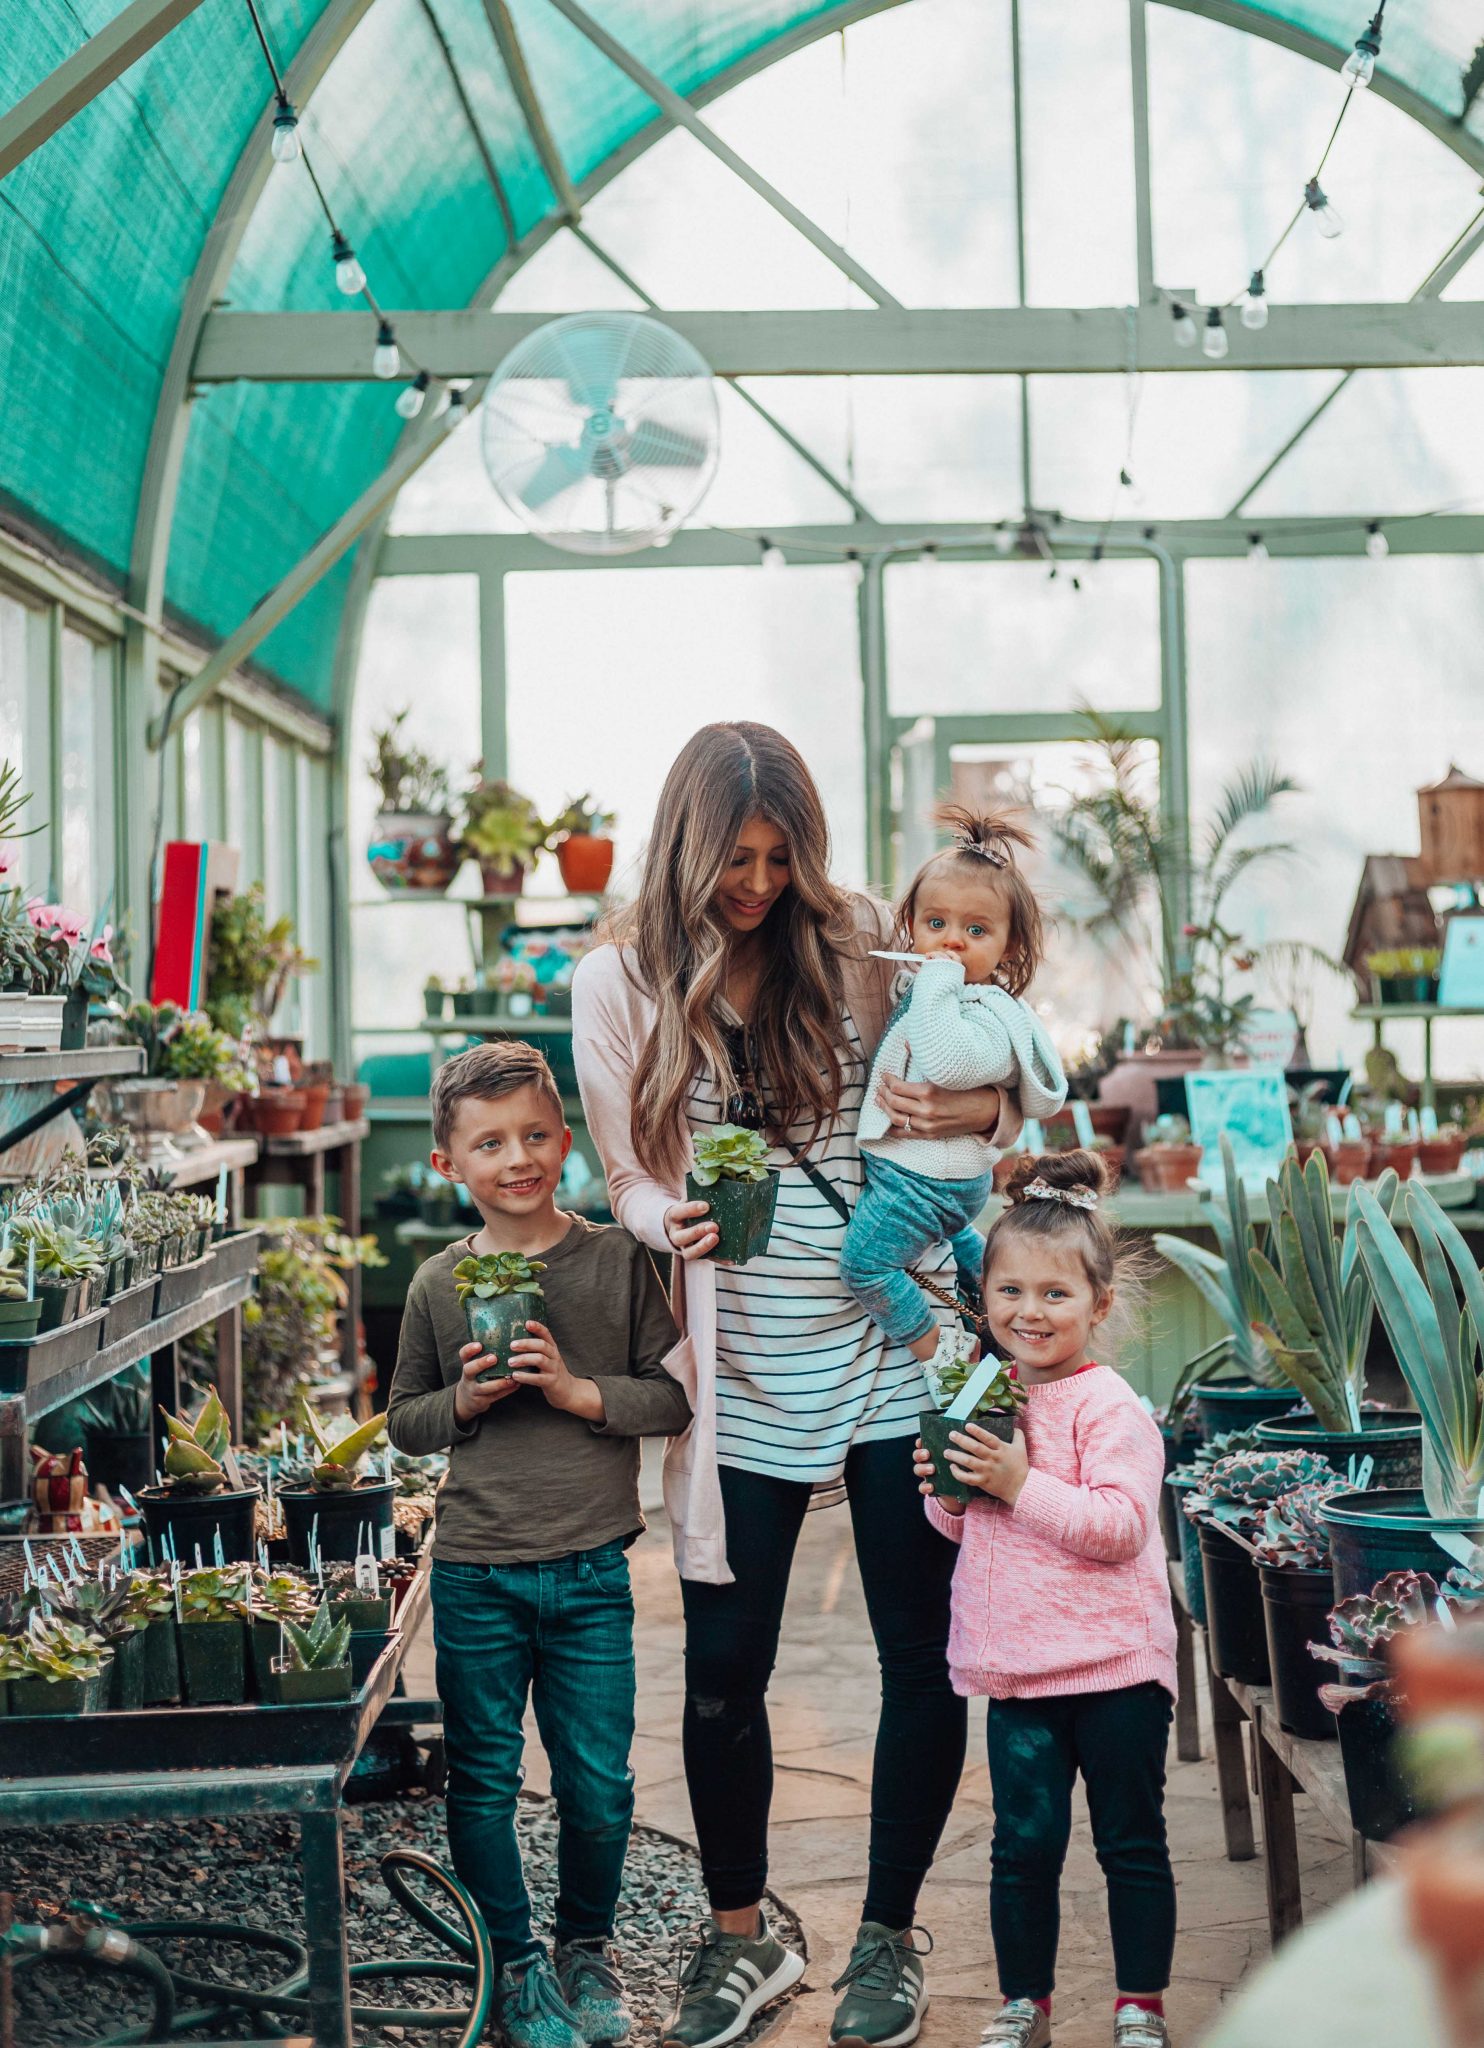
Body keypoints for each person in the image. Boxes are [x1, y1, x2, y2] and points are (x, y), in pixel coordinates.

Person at [572, 722, 1023, 2048]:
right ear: (685, 849)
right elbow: (626, 1177)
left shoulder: (870, 940)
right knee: (724, 1667)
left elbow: (989, 1067)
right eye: (733, 859)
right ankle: (738, 1937)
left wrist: (980, 1121)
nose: (757, 884)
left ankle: (886, 1936)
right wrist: (669, 1226)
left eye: (778, 858)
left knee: (920, 1657)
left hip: (896, 1344)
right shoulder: (622, 979)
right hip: (746, 1359)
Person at [386, 1041, 692, 2048]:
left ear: (565, 1141)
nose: (514, 1156)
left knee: (596, 1782)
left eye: (531, 1135)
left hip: (591, 1569)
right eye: (487, 1142)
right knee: (480, 1776)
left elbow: (668, 1393)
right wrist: (465, 1399)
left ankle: (584, 1947)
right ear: (448, 1163)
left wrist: (570, 1389)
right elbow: (403, 1419)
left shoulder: (616, 1260)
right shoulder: (438, 1282)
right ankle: (515, 1964)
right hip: (476, 1571)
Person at [913, 1148, 1180, 2048]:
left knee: (1128, 1845)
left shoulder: (1111, 1407)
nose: (1030, 1312)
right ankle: (1023, 2001)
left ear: (1099, 1305)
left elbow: (1119, 1528)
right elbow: (972, 1530)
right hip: (1020, 1672)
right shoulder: (983, 1390)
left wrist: (1019, 1481)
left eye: (1055, 1295)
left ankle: (1140, 2005)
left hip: (1114, 1672)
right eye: (1010, 1292)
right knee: (1021, 1850)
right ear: (983, 1298)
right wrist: (948, 1493)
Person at [842, 803, 1067, 1364]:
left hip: (924, 1182)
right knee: (954, 1236)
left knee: (864, 1264)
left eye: (976, 930)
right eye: (935, 924)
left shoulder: (988, 1012)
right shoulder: (939, 993)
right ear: (909, 924)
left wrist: (935, 981)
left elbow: (947, 1063)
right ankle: (986, 1269)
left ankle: (944, 1354)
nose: (951, 943)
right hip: (937, 1181)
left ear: (1009, 947)